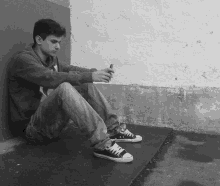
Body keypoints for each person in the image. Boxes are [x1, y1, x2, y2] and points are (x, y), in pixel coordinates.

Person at [8, 18, 142, 163]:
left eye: (59, 42)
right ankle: (102, 144)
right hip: (32, 129)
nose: (58, 46)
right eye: (54, 42)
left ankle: (114, 130)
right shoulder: (23, 60)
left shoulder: (51, 59)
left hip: (51, 125)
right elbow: (49, 77)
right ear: (39, 39)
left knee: (84, 83)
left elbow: (71, 70)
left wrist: (95, 73)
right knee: (65, 87)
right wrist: (90, 75)